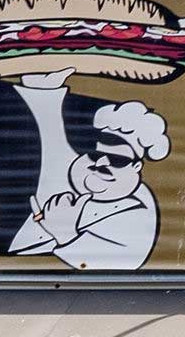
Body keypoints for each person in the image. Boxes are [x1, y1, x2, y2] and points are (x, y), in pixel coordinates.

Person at [10, 98, 167, 270]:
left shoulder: (138, 209)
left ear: (136, 166)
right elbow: (49, 127)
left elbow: (122, 264)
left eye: (116, 159)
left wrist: (65, 233)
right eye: (94, 154)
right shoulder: (71, 168)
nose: (101, 163)